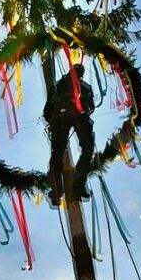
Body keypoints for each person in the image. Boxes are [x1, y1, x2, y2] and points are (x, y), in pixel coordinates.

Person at [43, 62, 95, 205]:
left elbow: (48, 107)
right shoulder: (84, 87)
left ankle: (58, 190)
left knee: (58, 153)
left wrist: (51, 119)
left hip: (64, 117)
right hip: (76, 117)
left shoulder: (60, 84)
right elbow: (91, 106)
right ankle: (75, 186)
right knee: (86, 148)